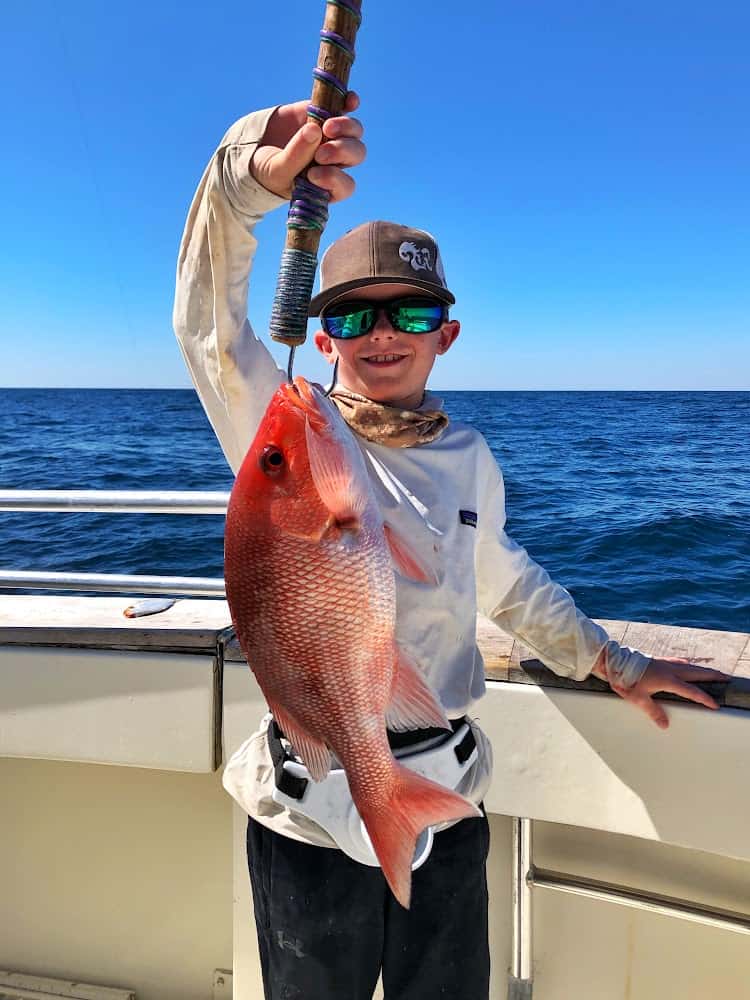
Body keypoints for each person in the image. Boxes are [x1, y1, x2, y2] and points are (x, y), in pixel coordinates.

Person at [173, 93, 727, 1000]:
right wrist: (246, 179)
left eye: (409, 315)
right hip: (309, 812)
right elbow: (205, 324)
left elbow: (507, 583)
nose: (381, 334)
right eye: (352, 319)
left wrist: (615, 664)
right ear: (322, 339)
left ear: (448, 335)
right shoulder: (281, 437)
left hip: (445, 792)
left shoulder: (469, 460)